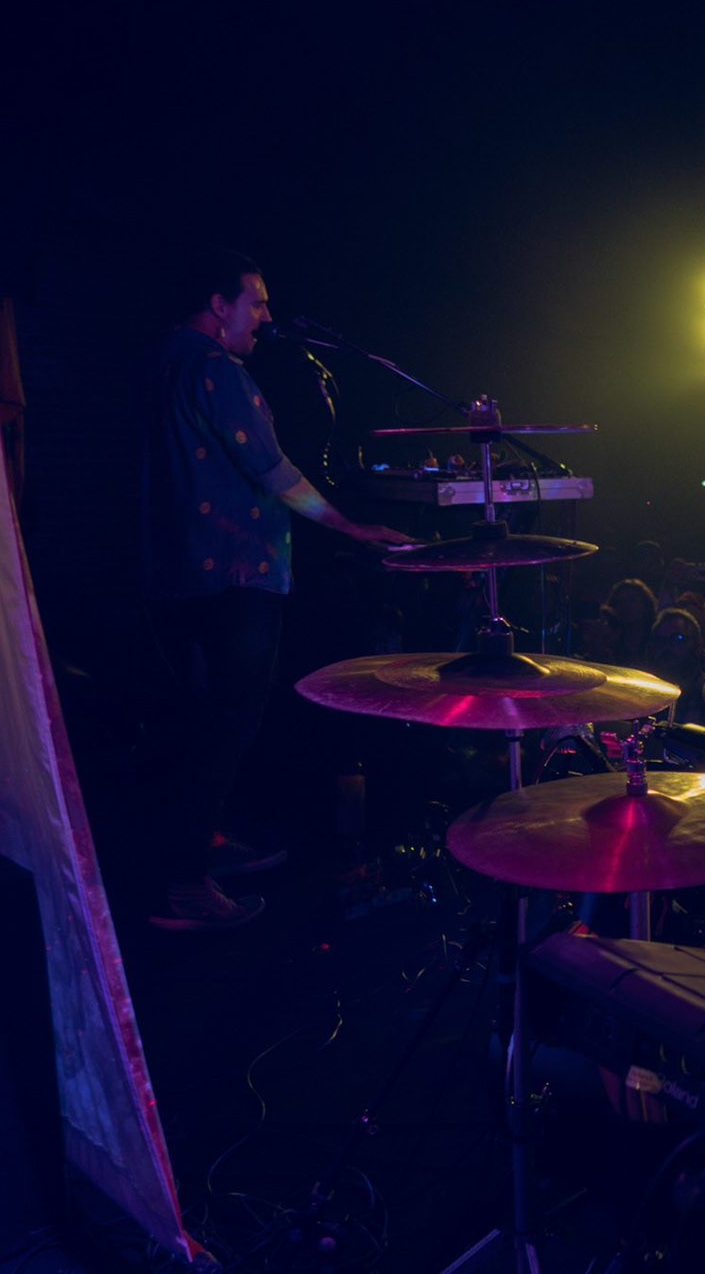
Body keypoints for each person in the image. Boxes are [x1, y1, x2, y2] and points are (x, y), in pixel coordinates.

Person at [144, 249, 411, 931]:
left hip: (190, 574)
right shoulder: (215, 368)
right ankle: (184, 886)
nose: (265, 316)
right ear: (218, 305)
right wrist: (350, 526)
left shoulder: (169, 360)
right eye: (256, 302)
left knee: (203, 721)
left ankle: (197, 844)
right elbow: (272, 469)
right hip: (238, 573)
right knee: (228, 725)